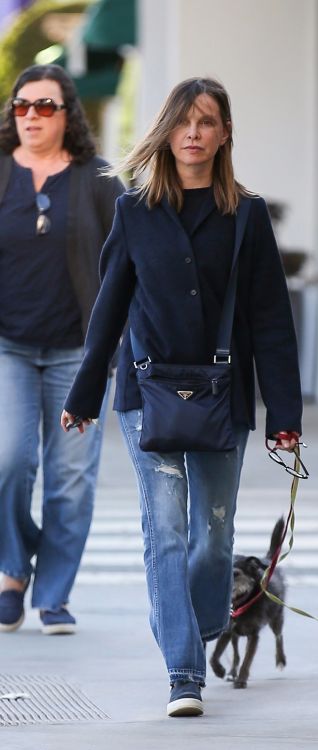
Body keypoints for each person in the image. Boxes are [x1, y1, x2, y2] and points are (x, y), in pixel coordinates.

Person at [61, 77, 303, 717]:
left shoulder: (246, 216)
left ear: (224, 134)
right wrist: (86, 393)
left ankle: (194, 630)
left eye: (207, 122)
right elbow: (110, 308)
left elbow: (272, 319)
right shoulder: (135, 211)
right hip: (149, 395)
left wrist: (285, 415)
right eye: (183, 122)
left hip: (225, 398)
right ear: (167, 131)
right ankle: (184, 672)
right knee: (165, 531)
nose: (194, 133)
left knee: (213, 542)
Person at [0, 65, 124, 635]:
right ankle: (11, 570)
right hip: (9, 348)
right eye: (22, 106)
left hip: (80, 352)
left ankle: (52, 594)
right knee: (8, 463)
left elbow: (130, 260)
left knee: (71, 479)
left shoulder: (98, 179)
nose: (31, 116)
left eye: (45, 106)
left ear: (67, 114)